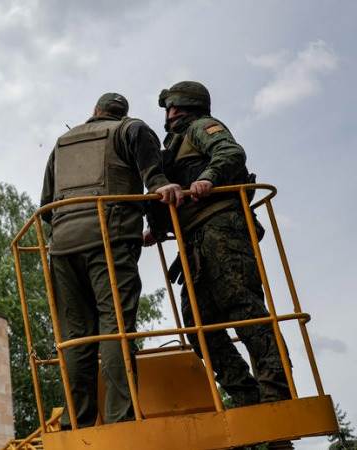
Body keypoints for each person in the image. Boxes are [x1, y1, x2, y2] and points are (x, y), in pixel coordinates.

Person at [147, 81, 293, 449]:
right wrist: (155, 229)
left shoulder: (203, 127)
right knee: (198, 326)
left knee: (245, 312)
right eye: (167, 109)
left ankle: (276, 401)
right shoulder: (173, 145)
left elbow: (230, 153)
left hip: (222, 229)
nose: (169, 114)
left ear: (188, 106)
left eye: (174, 107)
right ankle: (249, 401)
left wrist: (208, 178)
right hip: (194, 241)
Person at [40, 93, 181, 427]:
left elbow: (46, 201)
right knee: (115, 327)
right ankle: (121, 419)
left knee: (76, 336)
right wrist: (160, 186)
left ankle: (79, 421)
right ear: (121, 114)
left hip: (61, 244)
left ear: (95, 112)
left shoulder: (63, 142)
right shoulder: (130, 129)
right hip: (108, 236)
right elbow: (152, 173)